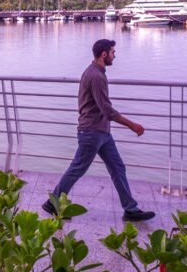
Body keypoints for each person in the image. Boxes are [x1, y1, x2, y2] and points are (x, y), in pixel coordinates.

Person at [43, 39, 156, 222]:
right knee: (78, 168)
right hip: (92, 132)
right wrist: (132, 125)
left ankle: (130, 209)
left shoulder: (97, 72)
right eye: (113, 52)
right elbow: (107, 110)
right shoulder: (95, 76)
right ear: (104, 54)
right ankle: (52, 203)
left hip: (102, 132)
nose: (114, 55)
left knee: (117, 167)